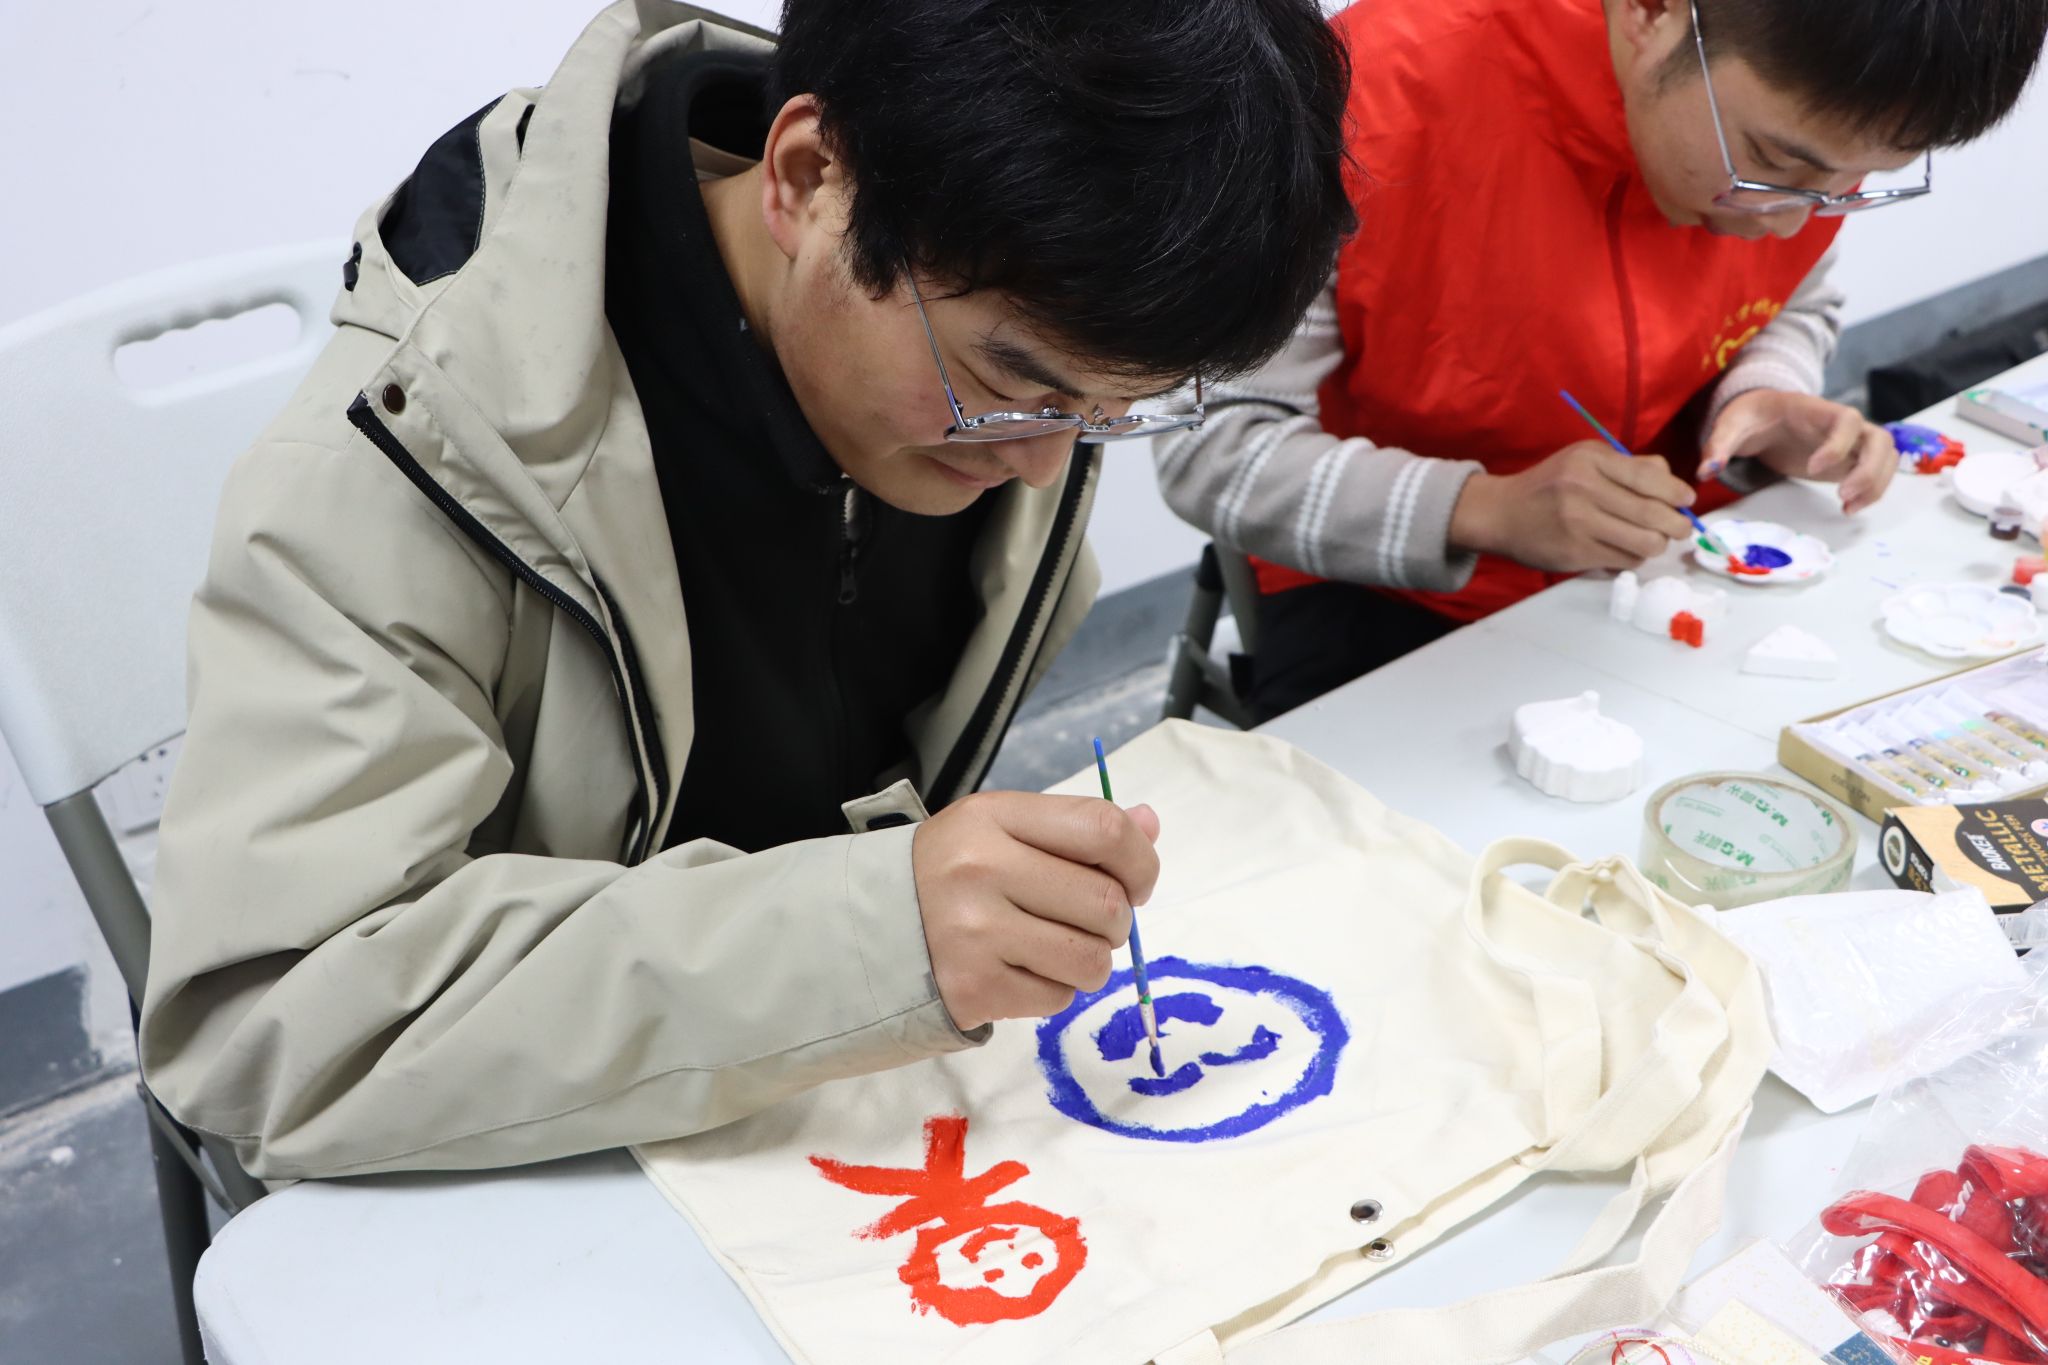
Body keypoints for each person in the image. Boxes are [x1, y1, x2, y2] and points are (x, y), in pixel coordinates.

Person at [136, 0, 1353, 1177]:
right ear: (807, 177)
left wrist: (905, 919)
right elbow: (269, 1028)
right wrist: (876, 933)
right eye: (1009, 384)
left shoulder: (1004, 335)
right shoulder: (417, 450)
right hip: (512, 1170)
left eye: (1115, 411)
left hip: (788, 1108)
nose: (1044, 463)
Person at [1156, 0, 2048, 719]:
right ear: (1651, 12)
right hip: (1388, 588)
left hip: (1660, 560)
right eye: (1773, 161)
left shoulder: (1796, 158)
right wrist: (1484, 508)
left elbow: (1799, 299)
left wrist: (1765, 392)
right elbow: (1212, 447)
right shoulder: (1363, 101)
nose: (1788, 222)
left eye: (1853, 186)